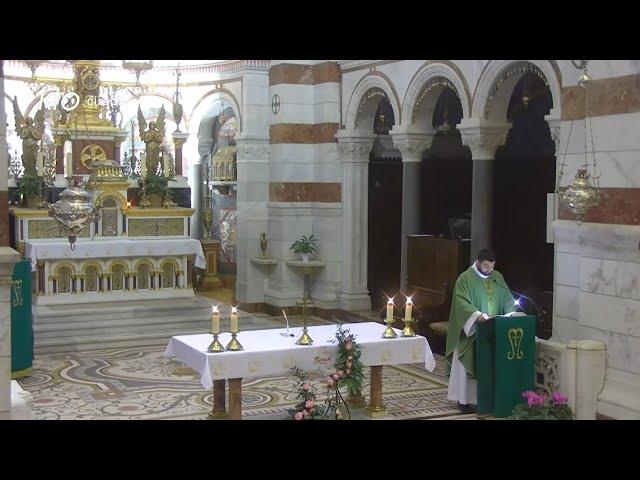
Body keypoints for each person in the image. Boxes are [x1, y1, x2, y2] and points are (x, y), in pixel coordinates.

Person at [445, 248, 517, 414]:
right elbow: (461, 303)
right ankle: (463, 401)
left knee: (487, 364)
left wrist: (511, 311)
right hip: (471, 332)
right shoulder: (465, 279)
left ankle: (483, 400)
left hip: (492, 330)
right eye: (486, 266)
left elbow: (507, 298)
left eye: (492, 266)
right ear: (478, 262)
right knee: (466, 364)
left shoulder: (497, 277)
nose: (489, 270)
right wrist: (477, 316)